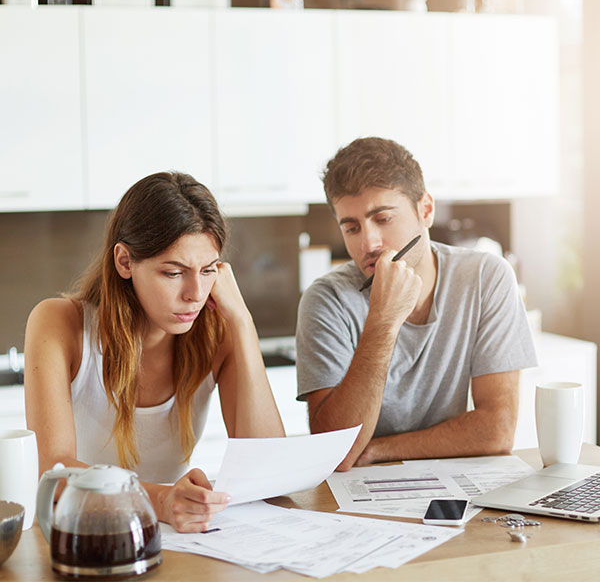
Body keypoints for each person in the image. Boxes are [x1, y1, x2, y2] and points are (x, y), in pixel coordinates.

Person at [24, 171, 285, 532]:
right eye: (174, 272)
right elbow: (51, 470)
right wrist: (159, 500)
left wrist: (242, 321)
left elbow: (269, 469)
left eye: (208, 270)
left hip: (173, 539)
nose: (195, 292)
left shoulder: (216, 332)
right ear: (125, 262)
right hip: (81, 536)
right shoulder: (59, 324)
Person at [296, 137, 537, 471]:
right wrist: (383, 321)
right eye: (351, 228)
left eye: (382, 218)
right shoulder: (326, 300)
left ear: (425, 210)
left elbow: (497, 430)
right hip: (356, 496)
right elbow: (336, 450)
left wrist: (377, 450)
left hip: (451, 484)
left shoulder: (486, 277)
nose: (369, 243)